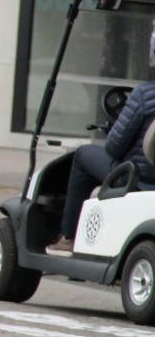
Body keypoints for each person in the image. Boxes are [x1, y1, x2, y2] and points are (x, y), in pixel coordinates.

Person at [48, 80, 155, 253]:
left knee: (83, 155)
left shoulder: (143, 95)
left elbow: (114, 146)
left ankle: (68, 237)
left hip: (135, 178)